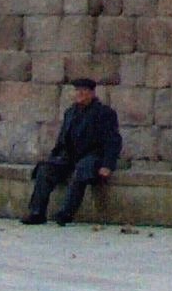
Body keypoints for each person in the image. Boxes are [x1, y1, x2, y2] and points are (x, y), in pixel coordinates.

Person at [21, 77, 123, 225]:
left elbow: (113, 140)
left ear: (92, 93)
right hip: (69, 155)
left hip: (92, 156)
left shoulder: (104, 113)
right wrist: (54, 156)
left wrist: (107, 165)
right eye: (77, 91)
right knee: (45, 169)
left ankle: (66, 213)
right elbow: (63, 137)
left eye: (84, 91)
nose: (80, 94)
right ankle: (37, 212)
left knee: (82, 170)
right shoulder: (70, 112)